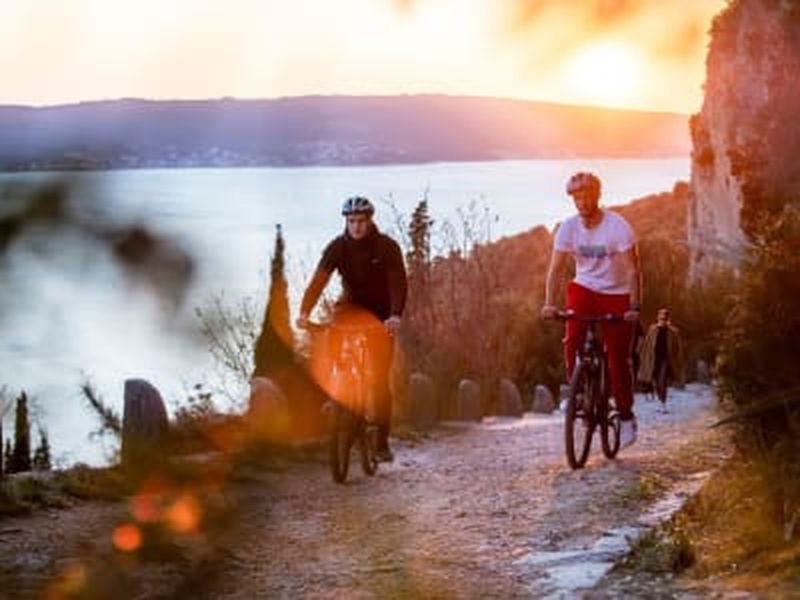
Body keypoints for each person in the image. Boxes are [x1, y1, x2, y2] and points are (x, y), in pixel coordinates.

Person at [297, 196, 407, 462]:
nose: (356, 226)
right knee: (332, 342)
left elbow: (398, 282)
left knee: (379, 380)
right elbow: (319, 281)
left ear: (370, 221)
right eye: (352, 221)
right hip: (349, 308)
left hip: (381, 313)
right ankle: (338, 395)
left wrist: (395, 314)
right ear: (346, 222)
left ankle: (381, 442)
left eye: (361, 221)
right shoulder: (337, 247)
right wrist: (304, 311)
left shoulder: (386, 247)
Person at [541, 172, 643, 447]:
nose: (582, 202)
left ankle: (625, 415)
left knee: (617, 359)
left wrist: (634, 306)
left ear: (597, 195)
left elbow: (633, 271)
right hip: (584, 288)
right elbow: (555, 270)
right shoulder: (568, 228)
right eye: (577, 198)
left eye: (586, 196)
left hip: (617, 293)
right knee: (572, 339)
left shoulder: (617, 227)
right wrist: (549, 303)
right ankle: (579, 393)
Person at [638, 308, 685, 412]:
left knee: (662, 381)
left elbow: (677, 348)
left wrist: (677, 361)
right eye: (661, 318)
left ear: (668, 319)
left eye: (665, 319)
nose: (663, 320)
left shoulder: (673, 332)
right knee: (655, 381)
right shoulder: (652, 330)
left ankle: (663, 403)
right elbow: (647, 346)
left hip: (665, 360)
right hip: (654, 360)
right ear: (658, 318)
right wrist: (643, 359)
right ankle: (660, 401)